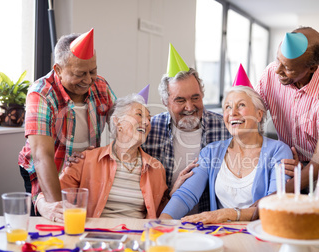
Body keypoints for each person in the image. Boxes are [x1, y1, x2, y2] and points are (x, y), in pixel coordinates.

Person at [159, 65, 293, 223]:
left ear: (259, 114)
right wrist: (160, 223)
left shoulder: (278, 151)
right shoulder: (211, 152)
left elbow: (275, 206)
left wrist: (229, 214)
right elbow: (186, 195)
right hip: (220, 235)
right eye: (228, 107)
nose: (232, 113)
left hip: (259, 234)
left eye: (241, 105)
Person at [18, 29, 117, 215]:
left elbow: (121, 124)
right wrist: (58, 207)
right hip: (46, 168)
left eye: (92, 71)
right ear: (58, 70)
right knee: (50, 217)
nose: (88, 80)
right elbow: (41, 156)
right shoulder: (40, 94)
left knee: (81, 219)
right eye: (80, 74)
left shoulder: (100, 85)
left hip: (80, 168)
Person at [255, 26, 319, 195]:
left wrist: (273, 197)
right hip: (290, 159)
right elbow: (252, 116)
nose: (277, 70)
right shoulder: (271, 74)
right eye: (277, 60)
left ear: (312, 68)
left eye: (287, 68)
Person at [36, 94, 168, 222]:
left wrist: (172, 194)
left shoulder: (156, 168)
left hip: (137, 236)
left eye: (149, 119)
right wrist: (43, 206)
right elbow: (50, 195)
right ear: (118, 122)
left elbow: (162, 213)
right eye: (139, 115)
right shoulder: (86, 160)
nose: (146, 122)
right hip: (95, 234)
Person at [142, 44, 231, 213]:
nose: (190, 107)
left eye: (195, 98)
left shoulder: (224, 128)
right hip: (166, 219)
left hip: (211, 222)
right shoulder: (150, 130)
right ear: (165, 102)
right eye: (180, 100)